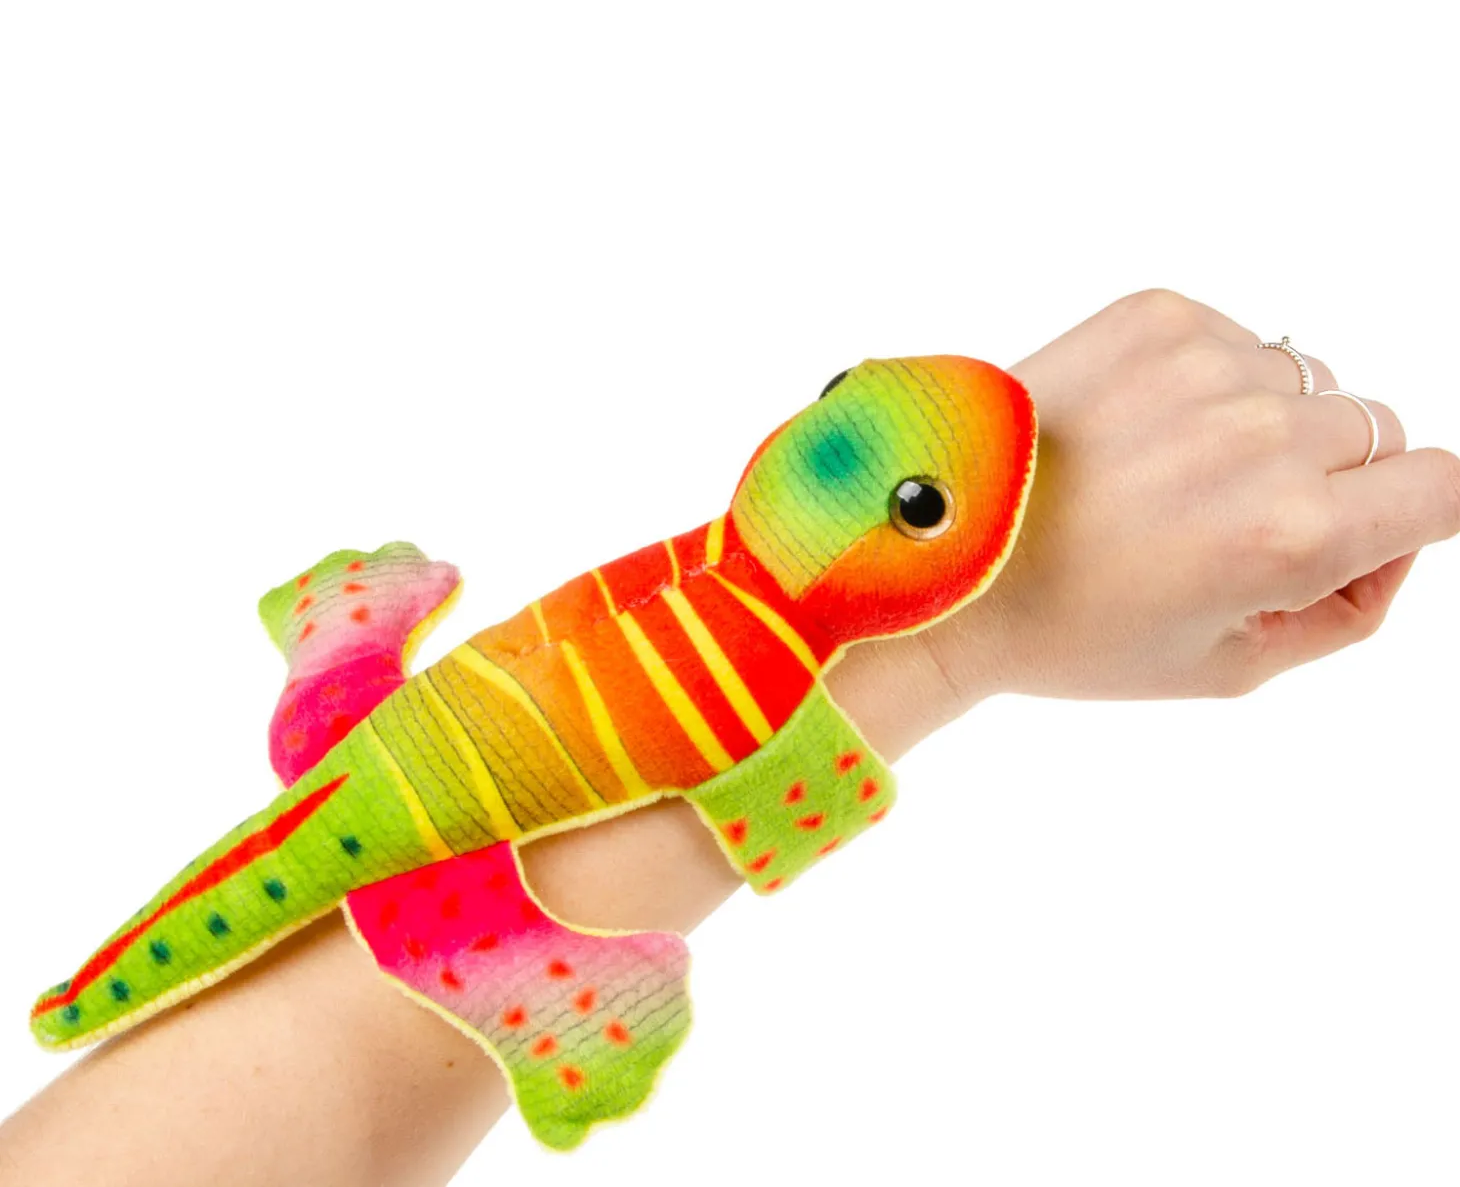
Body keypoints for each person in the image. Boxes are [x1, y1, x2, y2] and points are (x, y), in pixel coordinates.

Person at [2, 290, 1456, 1187]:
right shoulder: (758, 681)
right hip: (423, 777)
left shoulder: (707, 566)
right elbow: (783, 793)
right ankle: (522, 984)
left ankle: (345, 652)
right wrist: (956, 640)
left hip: (374, 728)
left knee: (343, 777)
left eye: (919, 512)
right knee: (382, 863)